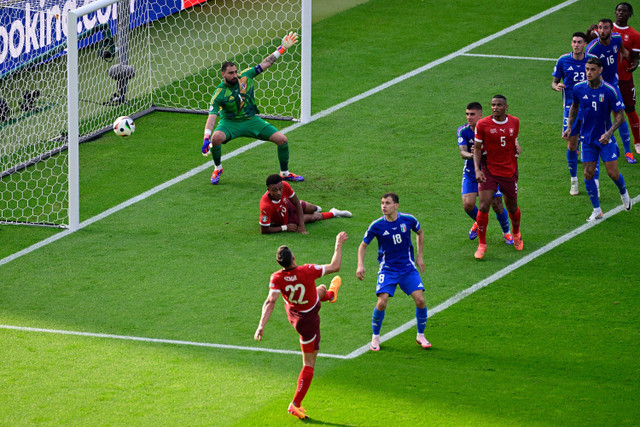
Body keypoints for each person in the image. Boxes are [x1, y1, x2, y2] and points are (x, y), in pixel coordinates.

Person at [254, 232, 348, 420]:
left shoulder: (276, 278)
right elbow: (335, 266)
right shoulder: (306, 270)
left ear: (279, 263)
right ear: (293, 258)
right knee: (309, 363)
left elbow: (270, 301)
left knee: (319, 290)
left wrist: (260, 326)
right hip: (308, 320)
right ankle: (295, 404)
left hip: (293, 313)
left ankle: (329, 294)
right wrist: (338, 244)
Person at [201, 32, 305, 185]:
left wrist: (282, 49)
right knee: (216, 138)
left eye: (236, 72)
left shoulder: (246, 76)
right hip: (230, 123)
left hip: (251, 120)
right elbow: (212, 116)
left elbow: (266, 63)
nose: (235, 75)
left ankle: (284, 173)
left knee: (282, 140)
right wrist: (206, 137)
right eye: (231, 73)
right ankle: (218, 168)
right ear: (223, 74)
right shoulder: (219, 93)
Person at [356, 192, 431, 352]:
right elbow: (363, 245)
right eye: (382, 203)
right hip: (388, 270)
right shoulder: (376, 225)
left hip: (407, 268)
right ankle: (375, 337)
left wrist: (419, 256)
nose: (384, 206)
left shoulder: (408, 220)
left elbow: (420, 232)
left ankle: (421, 335)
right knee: (382, 302)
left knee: (420, 300)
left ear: (396, 206)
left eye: (387, 203)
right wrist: (360, 265)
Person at [563, 57, 633, 221]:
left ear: (600, 70)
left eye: (592, 69)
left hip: (605, 140)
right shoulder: (579, 88)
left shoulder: (609, 90)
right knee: (588, 174)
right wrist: (569, 127)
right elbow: (574, 106)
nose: (589, 72)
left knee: (612, 173)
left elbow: (620, 117)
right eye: (587, 69)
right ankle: (597, 210)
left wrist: (609, 133)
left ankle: (623, 192)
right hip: (587, 139)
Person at [473, 95, 523, 260]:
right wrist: (477, 170)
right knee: (484, 206)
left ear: (506, 107)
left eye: (499, 105)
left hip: (509, 170)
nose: (495, 108)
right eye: (493, 105)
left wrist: (517, 145)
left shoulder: (514, 122)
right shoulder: (483, 124)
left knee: (512, 206)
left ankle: (516, 233)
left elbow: (512, 140)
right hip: (489, 170)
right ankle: (482, 245)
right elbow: (477, 148)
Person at [458, 102, 513, 244]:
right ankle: (479, 222)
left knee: (497, 205)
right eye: (467, 114)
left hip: (491, 172)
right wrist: (474, 155)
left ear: (480, 115)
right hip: (471, 172)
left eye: (472, 114)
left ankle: (507, 233)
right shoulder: (463, 131)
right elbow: (463, 152)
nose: (469, 117)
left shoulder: (490, 128)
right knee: (468, 205)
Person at [586, 19, 636, 164]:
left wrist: (625, 53)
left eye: (605, 28)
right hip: (600, 86)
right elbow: (591, 71)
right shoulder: (592, 49)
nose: (602, 31)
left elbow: (622, 48)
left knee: (619, 115)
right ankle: (613, 145)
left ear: (611, 30)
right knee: (603, 117)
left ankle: (628, 151)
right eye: (600, 28)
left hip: (613, 84)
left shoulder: (617, 38)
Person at [552, 32, 594, 195]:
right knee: (571, 144)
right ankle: (574, 180)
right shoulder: (563, 60)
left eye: (579, 42)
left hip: (590, 108)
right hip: (571, 109)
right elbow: (554, 81)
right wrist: (556, 86)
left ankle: (592, 182)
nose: (576, 45)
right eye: (574, 42)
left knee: (589, 143)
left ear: (585, 44)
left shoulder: (591, 61)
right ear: (571, 43)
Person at [259, 174, 352, 234]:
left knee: (311, 208)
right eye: (275, 190)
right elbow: (264, 230)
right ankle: (334, 213)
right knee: (313, 217)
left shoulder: (285, 185)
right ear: (268, 190)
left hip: (288, 205)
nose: (279, 192)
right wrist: (285, 227)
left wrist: (302, 226)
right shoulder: (266, 206)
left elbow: (296, 203)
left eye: (280, 189)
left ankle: (315, 209)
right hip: (286, 219)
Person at [614, 2, 640, 155]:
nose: (620, 13)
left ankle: (637, 141)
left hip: (625, 78)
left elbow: (635, 58)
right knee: (608, 111)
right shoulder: (607, 28)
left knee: (630, 109)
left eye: (624, 11)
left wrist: (635, 64)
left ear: (630, 14)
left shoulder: (635, 35)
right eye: (618, 10)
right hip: (607, 79)